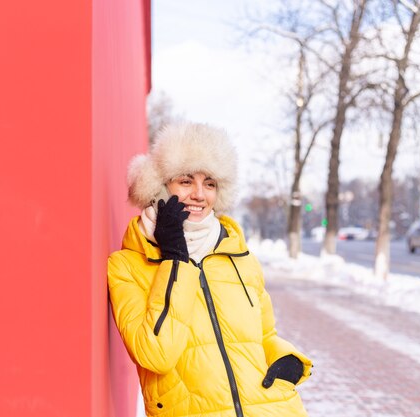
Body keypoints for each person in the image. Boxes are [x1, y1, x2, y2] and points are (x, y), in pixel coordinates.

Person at [108, 122, 312, 417]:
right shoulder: (127, 265)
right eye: (186, 181)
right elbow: (155, 354)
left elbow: (264, 333)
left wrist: (286, 358)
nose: (199, 195)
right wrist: (175, 258)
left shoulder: (238, 254)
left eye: (210, 183)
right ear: (160, 185)